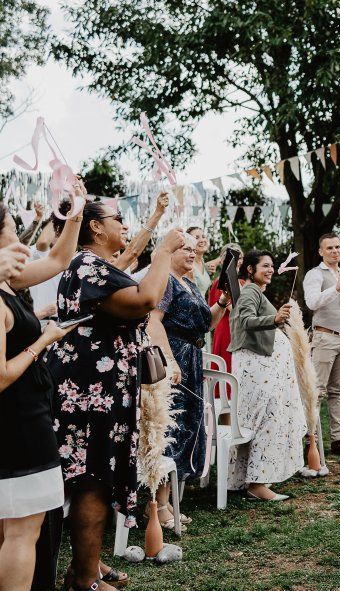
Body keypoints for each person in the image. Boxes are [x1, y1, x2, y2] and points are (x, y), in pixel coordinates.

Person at [48, 199, 184, 591]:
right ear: (94, 227)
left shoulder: (98, 267)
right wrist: (162, 253)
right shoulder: (87, 266)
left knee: (97, 478)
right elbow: (144, 299)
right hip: (89, 394)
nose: (125, 225)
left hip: (101, 390)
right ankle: (86, 578)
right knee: (92, 479)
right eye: (118, 220)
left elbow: (130, 265)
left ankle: (84, 564)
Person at [0, 199, 82, 591]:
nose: (21, 236)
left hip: (24, 414)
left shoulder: (8, 282)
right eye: (14, 228)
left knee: (12, 529)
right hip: (17, 423)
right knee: (20, 532)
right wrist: (43, 340)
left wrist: (76, 214)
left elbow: (58, 260)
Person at [145, 232, 229, 530]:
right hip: (175, 355)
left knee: (186, 425)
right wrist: (168, 360)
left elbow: (207, 324)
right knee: (170, 426)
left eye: (194, 250)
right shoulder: (165, 280)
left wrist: (221, 302)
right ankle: (159, 505)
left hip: (193, 354)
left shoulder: (190, 282)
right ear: (170, 251)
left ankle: (171, 500)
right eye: (185, 249)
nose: (192, 254)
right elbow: (153, 320)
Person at [227, 250, 308, 501]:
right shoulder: (250, 291)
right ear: (250, 269)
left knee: (255, 420)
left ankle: (246, 480)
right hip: (257, 369)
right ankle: (258, 484)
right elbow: (245, 321)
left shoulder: (254, 291)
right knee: (266, 419)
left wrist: (277, 321)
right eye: (265, 266)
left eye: (272, 265)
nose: (271, 269)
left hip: (259, 369)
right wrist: (274, 318)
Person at [303, 233, 340, 457]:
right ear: (321, 251)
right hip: (324, 338)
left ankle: (339, 439)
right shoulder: (315, 274)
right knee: (316, 391)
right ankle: (311, 440)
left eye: (337, 247)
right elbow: (312, 303)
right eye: (329, 248)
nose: (335, 251)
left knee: (337, 391)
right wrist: (336, 288)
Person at [208, 243, 242, 375]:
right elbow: (231, 308)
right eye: (234, 257)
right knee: (227, 367)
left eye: (240, 258)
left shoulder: (241, 281)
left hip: (235, 327)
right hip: (226, 328)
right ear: (222, 260)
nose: (238, 261)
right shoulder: (219, 283)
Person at [28, 220, 61, 322]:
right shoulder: (37, 254)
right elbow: (43, 242)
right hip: (45, 320)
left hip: (66, 322)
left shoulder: (66, 258)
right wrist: (57, 215)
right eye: (56, 232)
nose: (60, 235)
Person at [186, 227, 212, 296]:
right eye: (197, 238)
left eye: (203, 237)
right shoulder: (188, 264)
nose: (202, 240)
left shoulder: (202, 261)